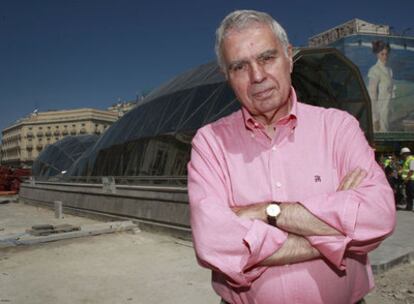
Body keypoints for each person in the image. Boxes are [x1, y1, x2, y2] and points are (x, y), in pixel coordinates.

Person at [187, 10, 396, 304]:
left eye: (267, 58)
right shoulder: (210, 143)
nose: (257, 76)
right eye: (239, 66)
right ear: (226, 75)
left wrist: (268, 212)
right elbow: (213, 242)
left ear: (289, 55)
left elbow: (378, 215)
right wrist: (337, 235)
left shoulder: (338, 127)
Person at [367, 40, 395, 132]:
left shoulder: (389, 70)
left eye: (386, 54)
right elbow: (372, 95)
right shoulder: (374, 70)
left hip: (388, 111)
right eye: (382, 54)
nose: (385, 57)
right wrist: (375, 118)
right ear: (377, 54)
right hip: (379, 113)